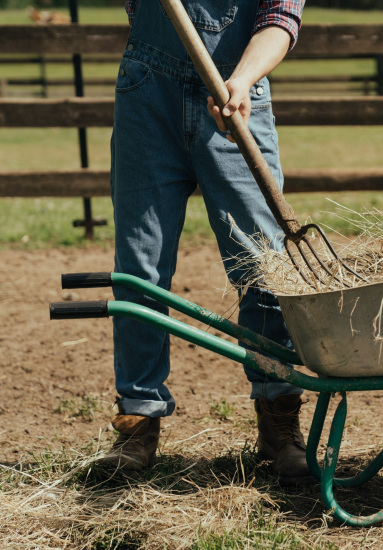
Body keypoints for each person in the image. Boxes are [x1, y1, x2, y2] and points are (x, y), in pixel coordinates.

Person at [105, 0, 308, 483]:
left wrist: (241, 79)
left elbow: (280, 21)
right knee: (140, 269)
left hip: (238, 93)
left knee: (264, 264)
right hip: (147, 95)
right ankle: (138, 421)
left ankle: (278, 420)